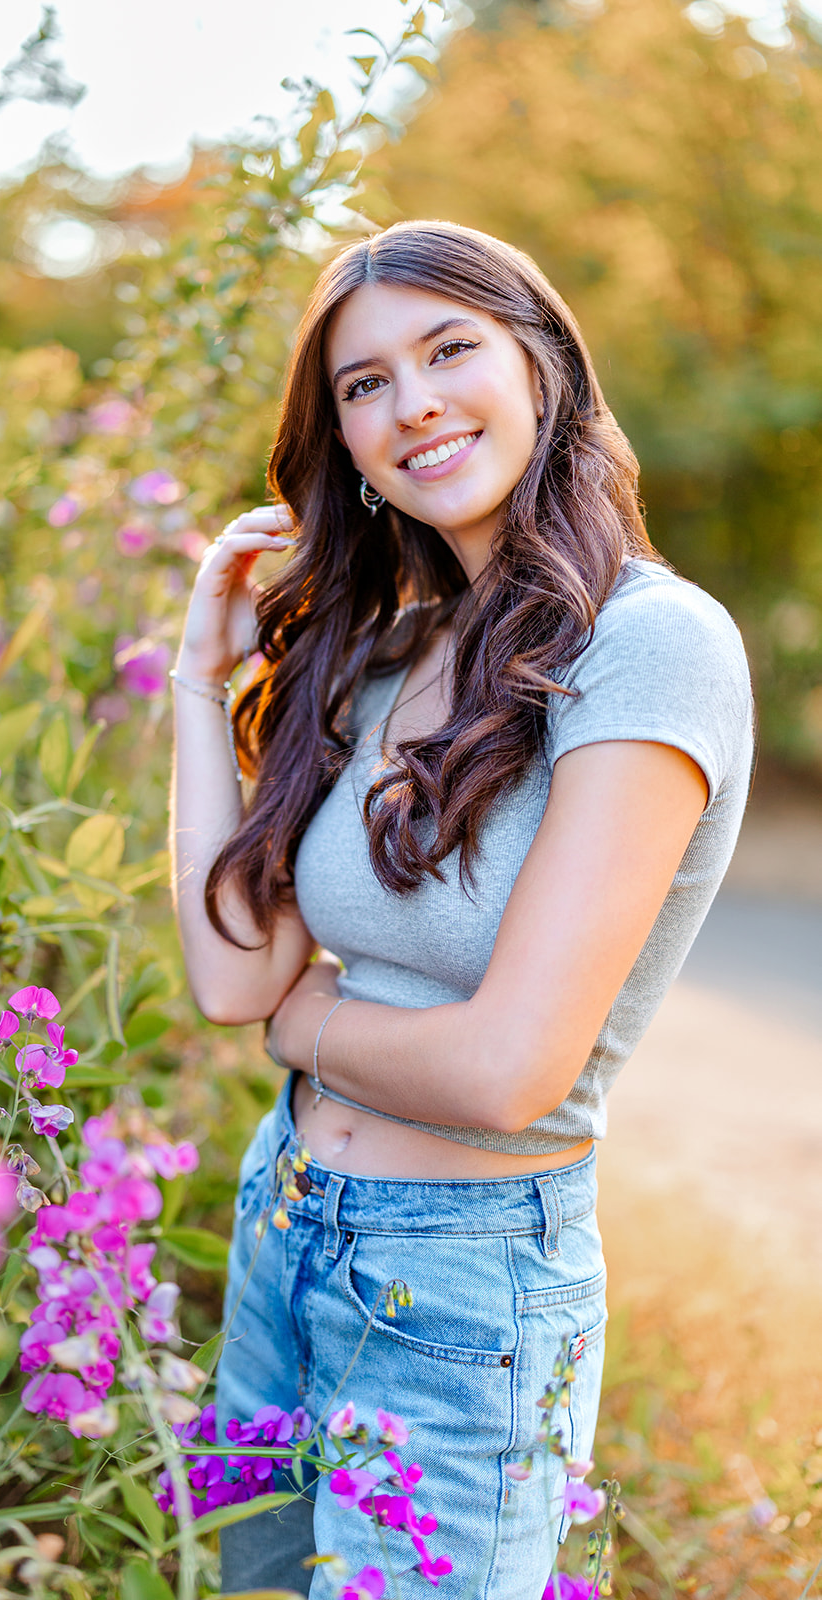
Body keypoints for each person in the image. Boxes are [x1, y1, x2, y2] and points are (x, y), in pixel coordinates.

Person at [169, 221, 754, 1599]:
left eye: (449, 349)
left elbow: (507, 1069)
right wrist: (204, 682)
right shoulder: (383, 653)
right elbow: (227, 975)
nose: (412, 401)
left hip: (462, 1294)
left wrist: (307, 1019)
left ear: (541, 364)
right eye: (364, 384)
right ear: (345, 442)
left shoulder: (651, 646)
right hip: (284, 1222)